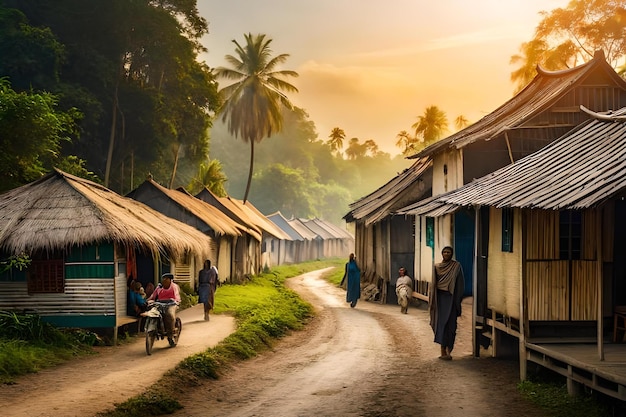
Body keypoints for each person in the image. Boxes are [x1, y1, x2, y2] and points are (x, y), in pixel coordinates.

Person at [429, 246, 465, 360]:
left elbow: (460, 285)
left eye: (448, 252)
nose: (446, 254)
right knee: (441, 325)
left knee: (451, 325)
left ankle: (450, 349)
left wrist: (457, 300)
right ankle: (443, 350)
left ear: (452, 253)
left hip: (452, 299)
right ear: (441, 254)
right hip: (440, 300)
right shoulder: (437, 267)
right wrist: (432, 301)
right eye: (444, 252)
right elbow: (433, 285)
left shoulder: (456, 267)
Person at [147, 273, 181, 346]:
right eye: (163, 279)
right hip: (160, 303)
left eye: (166, 279)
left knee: (169, 315)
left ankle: (170, 335)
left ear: (170, 280)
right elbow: (153, 296)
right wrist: (148, 301)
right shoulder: (159, 287)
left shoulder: (174, 286)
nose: (164, 280)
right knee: (154, 313)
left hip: (171, 303)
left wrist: (177, 301)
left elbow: (177, 295)